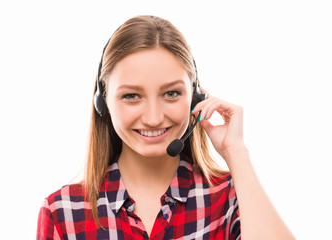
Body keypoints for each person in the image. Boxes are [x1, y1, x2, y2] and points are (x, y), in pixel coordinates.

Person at [37, 15, 295, 240]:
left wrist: (236, 152)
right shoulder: (63, 212)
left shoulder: (231, 198)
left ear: (195, 98)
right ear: (103, 102)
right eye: (131, 96)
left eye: (171, 93)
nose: (152, 118)